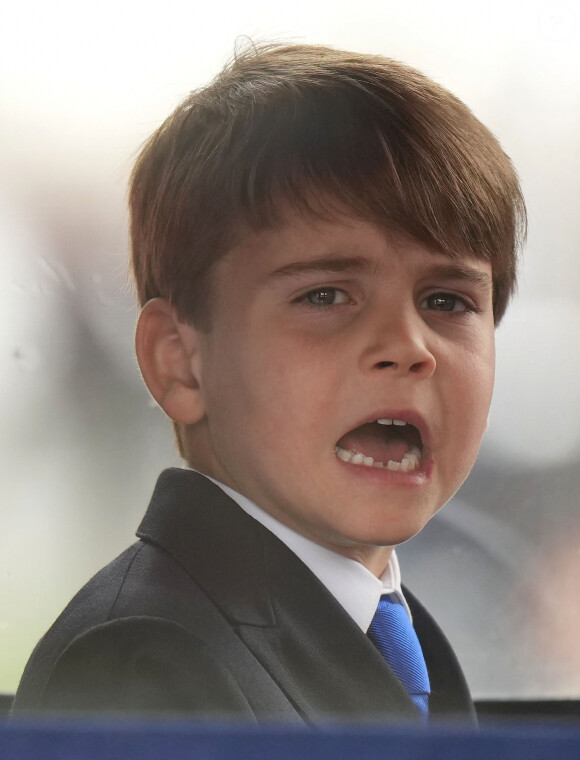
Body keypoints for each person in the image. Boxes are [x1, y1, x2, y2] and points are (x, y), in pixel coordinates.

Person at [12, 43, 526, 723]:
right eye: (325, 296)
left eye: (447, 302)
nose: (408, 347)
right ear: (180, 362)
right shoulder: (146, 662)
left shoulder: (397, 637)